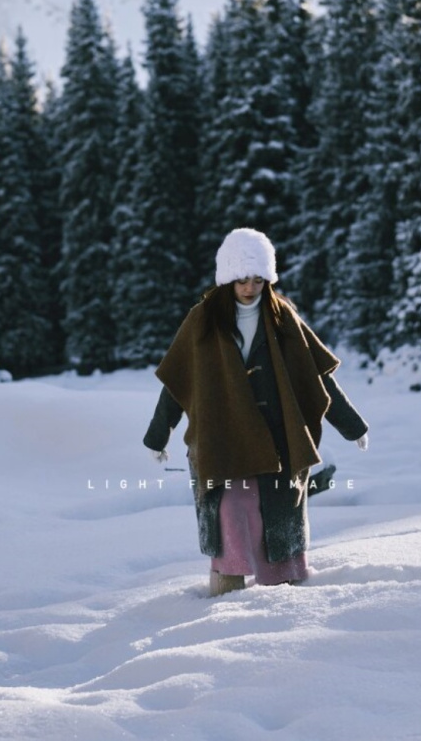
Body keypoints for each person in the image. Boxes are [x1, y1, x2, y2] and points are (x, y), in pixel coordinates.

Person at [143, 227, 368, 595]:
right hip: (223, 440)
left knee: (278, 515)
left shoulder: (282, 317)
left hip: (279, 440)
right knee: (230, 512)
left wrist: (353, 425)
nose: (250, 287)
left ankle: (286, 595)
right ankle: (225, 592)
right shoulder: (203, 320)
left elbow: (317, 378)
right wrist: (158, 434)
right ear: (227, 279)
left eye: (258, 280)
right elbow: (179, 383)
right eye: (242, 280)